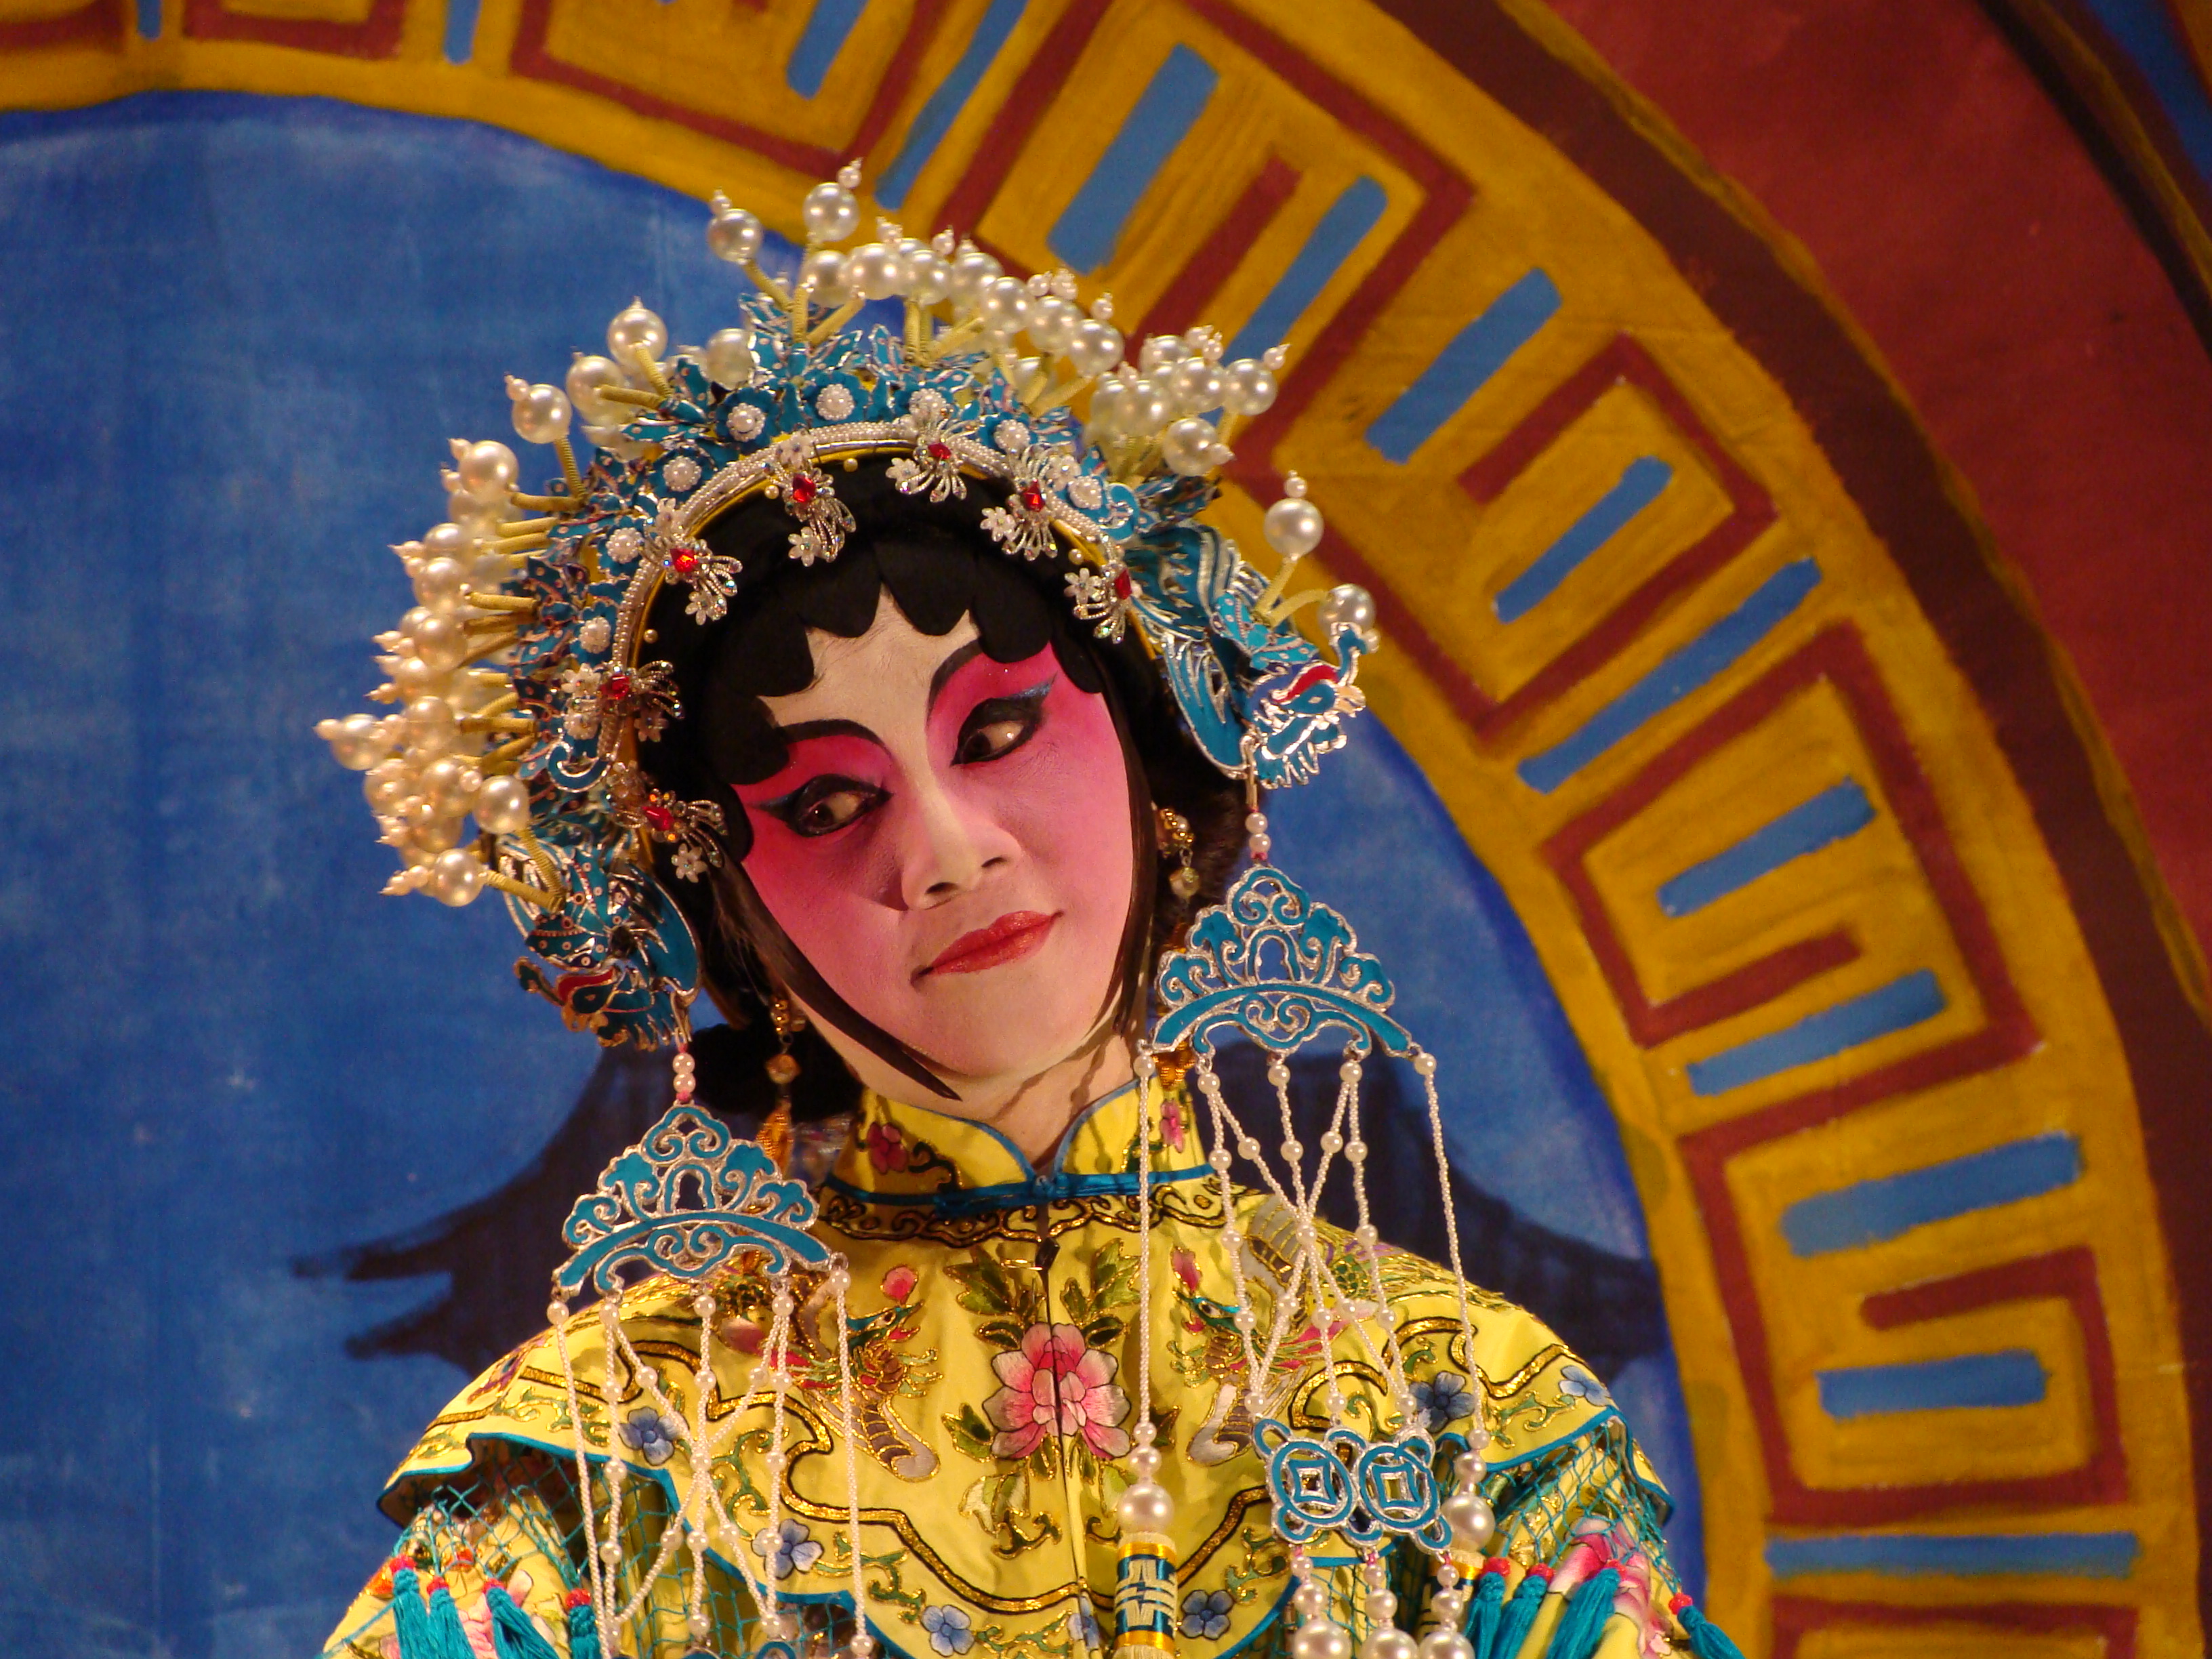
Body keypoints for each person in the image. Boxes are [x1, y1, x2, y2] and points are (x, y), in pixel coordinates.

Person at [314, 169, 1738, 1659]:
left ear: (1153, 767)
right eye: (828, 804)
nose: (944, 852)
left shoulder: (1467, 1420)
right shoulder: (600, 1475)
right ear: (733, 927)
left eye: (995, 735)